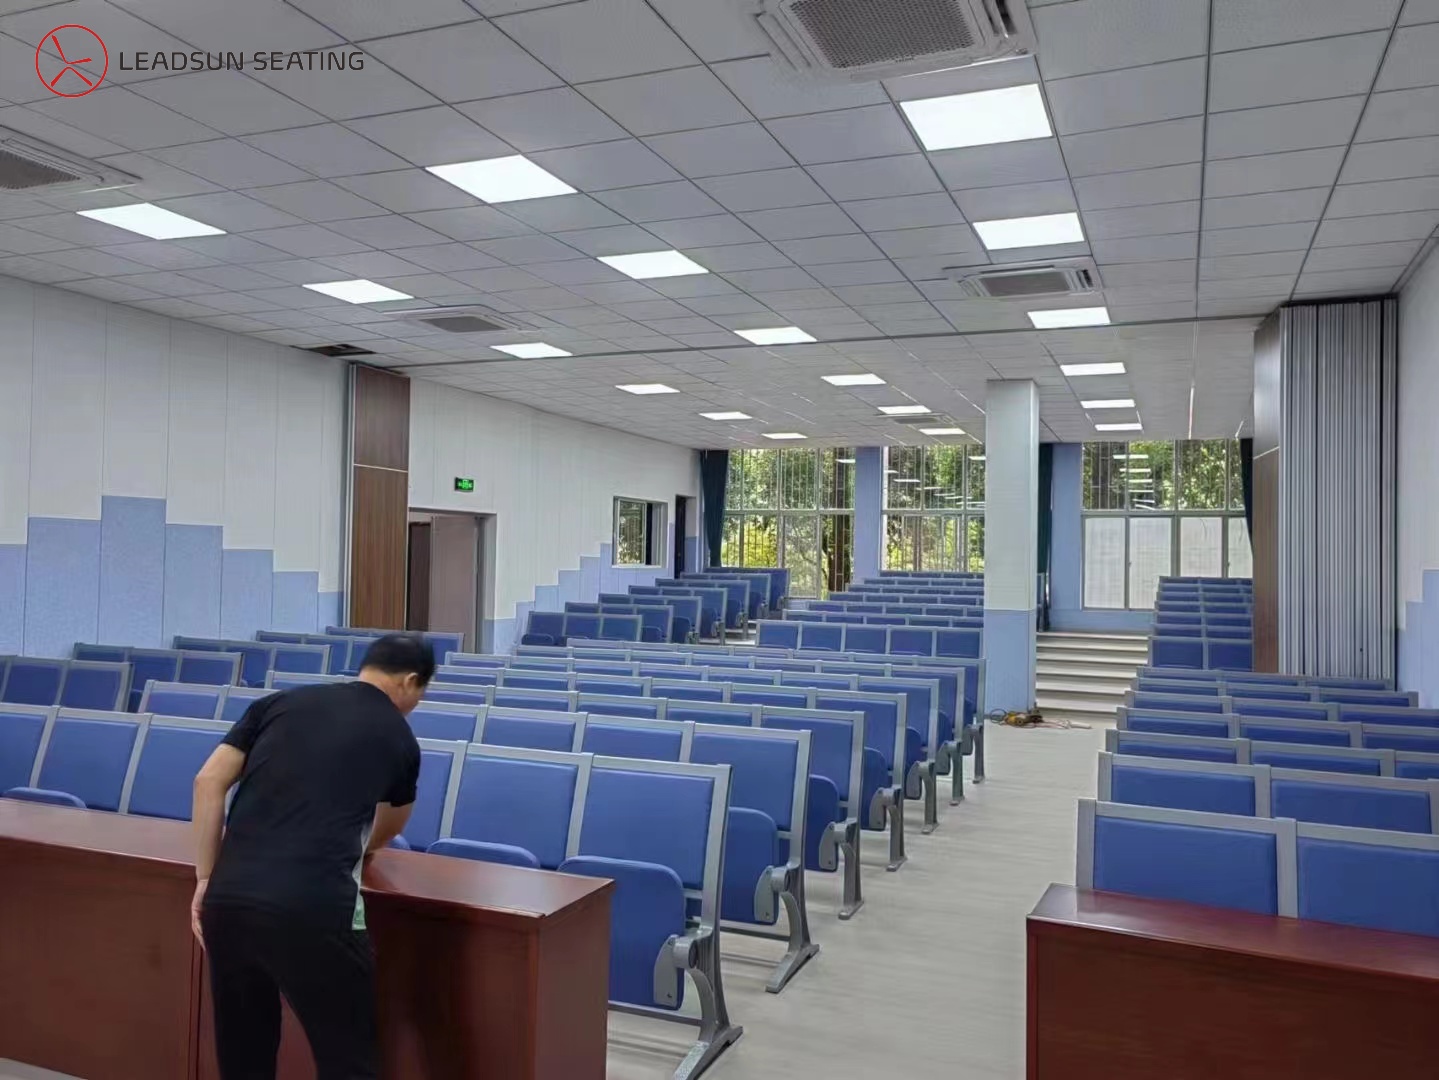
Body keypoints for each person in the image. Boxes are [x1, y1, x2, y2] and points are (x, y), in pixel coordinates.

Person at [190, 633, 433, 1080]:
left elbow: (208, 783)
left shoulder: (279, 703)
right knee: (349, 1056)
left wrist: (207, 879)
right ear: (411, 682)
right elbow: (389, 828)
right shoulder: (399, 737)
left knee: (244, 1051)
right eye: (421, 694)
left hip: (230, 899)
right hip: (316, 908)